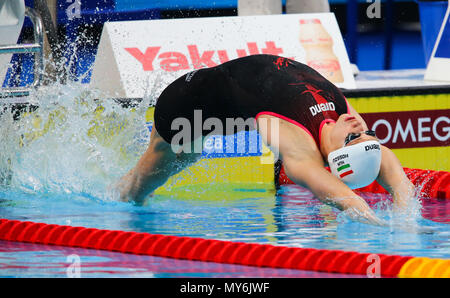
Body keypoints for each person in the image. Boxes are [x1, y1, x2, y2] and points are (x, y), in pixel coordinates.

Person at [116, 54, 415, 226]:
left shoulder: (300, 149)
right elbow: (388, 167)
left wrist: (378, 226)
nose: (359, 124)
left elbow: (345, 198)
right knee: (184, 157)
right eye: (368, 135)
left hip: (183, 109)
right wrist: (405, 219)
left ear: (335, 154)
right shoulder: (340, 117)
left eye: (353, 137)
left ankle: (114, 201)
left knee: (136, 191)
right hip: (193, 89)